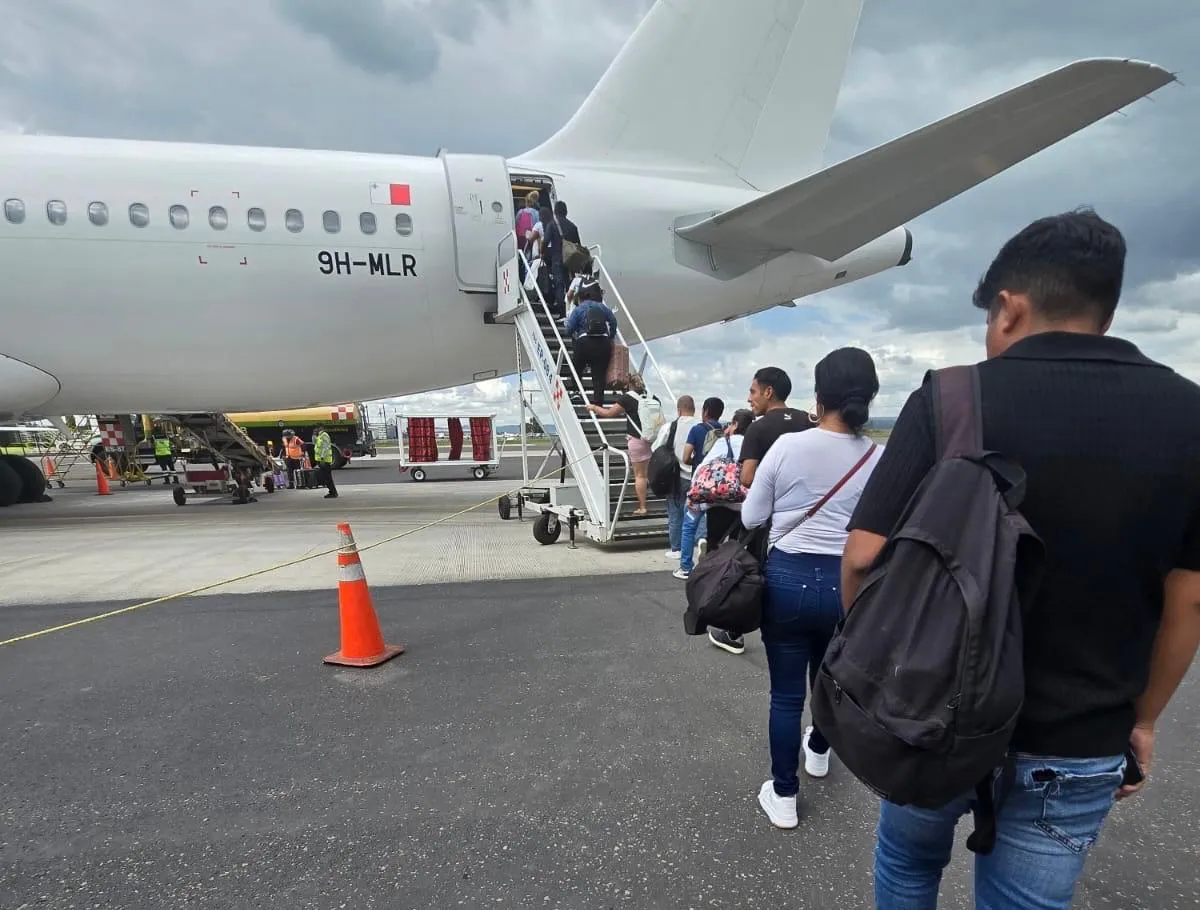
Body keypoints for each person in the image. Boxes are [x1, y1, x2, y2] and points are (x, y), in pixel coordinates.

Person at [841, 209, 1200, 909]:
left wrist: (887, 678)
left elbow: (862, 558)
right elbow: (1189, 599)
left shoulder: (951, 398)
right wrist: (1145, 719)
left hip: (932, 716)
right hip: (1080, 735)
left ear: (1009, 307)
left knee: (909, 866)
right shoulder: (1189, 417)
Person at [740, 347, 884, 830]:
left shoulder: (788, 447)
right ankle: (819, 750)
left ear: (819, 398)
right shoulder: (877, 456)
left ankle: (783, 794)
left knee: (785, 697)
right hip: (848, 583)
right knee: (829, 680)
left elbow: (751, 517)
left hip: (787, 578)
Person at [708, 367, 815, 655]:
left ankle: (735, 631)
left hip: (769, 517)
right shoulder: (809, 422)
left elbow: (747, 477)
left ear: (769, 392)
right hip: (807, 515)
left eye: (753, 391)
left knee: (754, 572)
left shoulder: (759, 427)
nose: (750, 398)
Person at [675, 407, 751, 580]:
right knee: (736, 542)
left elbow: (704, 467)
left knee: (713, 539)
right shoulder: (750, 443)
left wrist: (693, 494)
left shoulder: (724, 442)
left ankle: (705, 572)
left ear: (736, 424)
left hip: (715, 499)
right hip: (739, 501)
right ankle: (730, 573)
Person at [588, 372, 660, 516]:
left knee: (640, 475)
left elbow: (608, 413)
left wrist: (594, 408)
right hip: (653, 439)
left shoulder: (628, 398)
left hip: (637, 440)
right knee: (647, 474)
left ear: (629, 385)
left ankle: (642, 507)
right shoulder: (654, 397)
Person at [675, 397, 725, 575]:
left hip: (700, 483)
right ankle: (709, 558)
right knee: (715, 524)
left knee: (689, 525)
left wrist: (694, 461)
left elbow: (686, 456)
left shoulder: (697, 430)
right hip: (720, 485)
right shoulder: (724, 430)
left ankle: (685, 568)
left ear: (705, 411)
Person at [653, 395, 699, 560]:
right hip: (696, 477)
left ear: (679, 410)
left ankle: (676, 548)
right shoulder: (701, 426)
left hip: (676, 477)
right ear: (694, 409)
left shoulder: (670, 427)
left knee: (675, 512)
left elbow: (656, 448)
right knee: (696, 512)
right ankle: (698, 542)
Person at [564, 279, 618, 406]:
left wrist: (574, 334)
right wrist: (610, 336)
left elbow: (568, 330)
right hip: (603, 344)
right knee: (599, 375)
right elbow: (613, 322)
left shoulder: (578, 309)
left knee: (577, 367)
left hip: (585, 343)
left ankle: (576, 391)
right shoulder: (602, 307)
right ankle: (598, 404)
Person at [311, 424, 338, 499]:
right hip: (320, 460)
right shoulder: (319, 436)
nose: (316, 429)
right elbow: (315, 443)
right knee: (325, 477)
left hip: (324, 460)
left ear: (321, 428)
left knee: (328, 477)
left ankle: (333, 492)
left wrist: (322, 458)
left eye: (317, 428)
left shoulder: (324, 435)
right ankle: (331, 491)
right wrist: (313, 435)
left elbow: (326, 447)